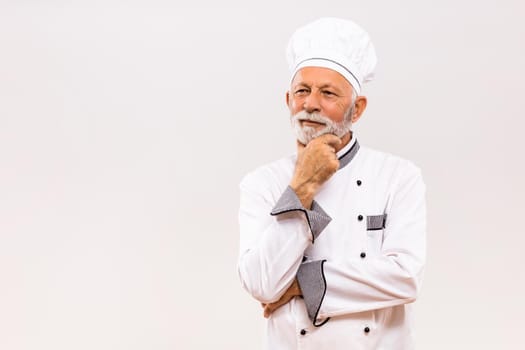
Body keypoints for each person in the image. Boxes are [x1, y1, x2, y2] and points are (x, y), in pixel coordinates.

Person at [237, 17, 426, 349]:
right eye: (302, 91)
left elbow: (405, 277)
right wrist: (302, 187)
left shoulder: (398, 176)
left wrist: (303, 283)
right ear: (288, 100)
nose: (310, 103)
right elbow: (262, 284)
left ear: (357, 109)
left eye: (327, 93)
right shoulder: (261, 183)